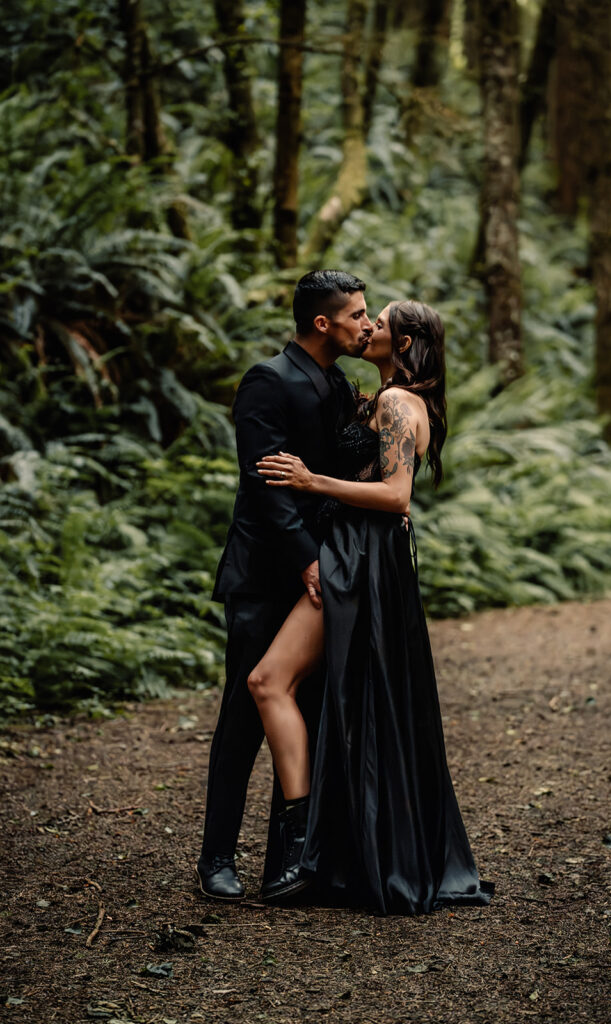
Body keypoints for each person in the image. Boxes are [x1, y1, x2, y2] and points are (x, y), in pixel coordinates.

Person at [252, 300, 494, 914]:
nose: (369, 329)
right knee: (359, 696)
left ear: (406, 343)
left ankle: (305, 849)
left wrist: (312, 481)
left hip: (362, 552)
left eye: (380, 323)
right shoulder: (388, 396)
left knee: (268, 679)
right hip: (364, 551)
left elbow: (396, 495)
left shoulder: (394, 404)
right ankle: (336, 851)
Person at [196, 269, 373, 901]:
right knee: (243, 715)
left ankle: (287, 863)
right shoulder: (268, 380)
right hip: (267, 574)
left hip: (325, 576)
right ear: (322, 322)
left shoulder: (341, 381)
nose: (366, 321)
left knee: (306, 709)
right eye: (355, 314)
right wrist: (305, 559)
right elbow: (263, 483)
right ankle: (216, 859)